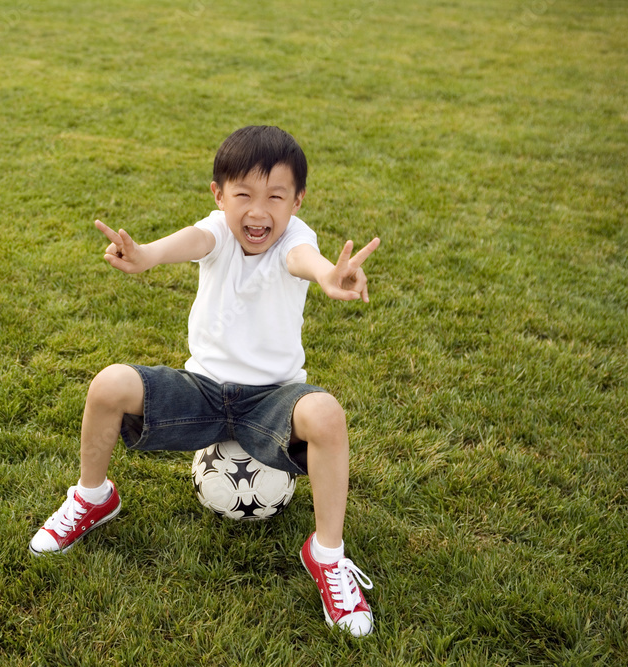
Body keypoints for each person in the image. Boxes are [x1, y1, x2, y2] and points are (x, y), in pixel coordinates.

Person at [29, 125, 381, 637]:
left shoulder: (297, 240)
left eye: (276, 197)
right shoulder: (217, 231)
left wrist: (330, 275)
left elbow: (303, 261)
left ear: (297, 201)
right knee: (108, 384)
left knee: (325, 413)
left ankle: (327, 555)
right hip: (203, 393)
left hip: (272, 400)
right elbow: (195, 239)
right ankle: (93, 496)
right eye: (243, 195)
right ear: (219, 195)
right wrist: (146, 254)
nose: (258, 212)